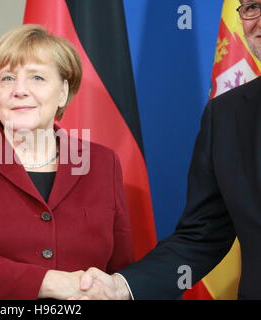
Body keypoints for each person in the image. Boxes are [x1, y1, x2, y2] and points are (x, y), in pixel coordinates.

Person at [0, 24, 134, 300]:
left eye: (37, 77)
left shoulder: (103, 162)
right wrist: (49, 282)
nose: (20, 90)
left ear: (62, 92)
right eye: (7, 79)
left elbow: (120, 270)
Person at [76, 0, 261, 300]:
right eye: (252, 6)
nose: (259, 19)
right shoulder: (225, 115)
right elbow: (202, 237)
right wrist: (122, 287)